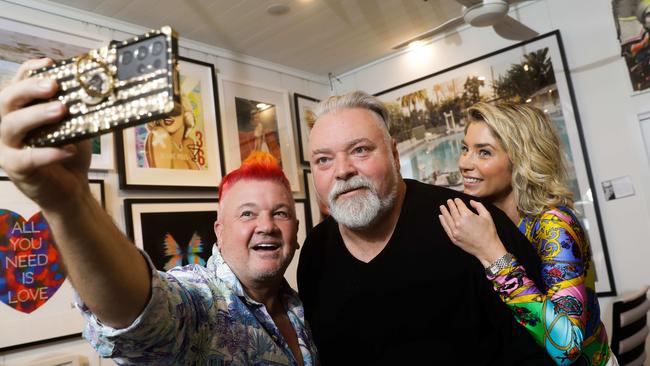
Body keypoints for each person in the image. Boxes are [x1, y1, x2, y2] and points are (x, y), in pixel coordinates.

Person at [0, 58, 318, 365]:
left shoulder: (297, 306)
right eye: (247, 214)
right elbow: (142, 313)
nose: (267, 225)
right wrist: (71, 203)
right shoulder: (203, 301)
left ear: (296, 230)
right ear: (219, 231)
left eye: (280, 213)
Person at [297, 91, 555, 365]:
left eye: (360, 150)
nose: (342, 170)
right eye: (323, 159)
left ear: (394, 155)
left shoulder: (472, 223)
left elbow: (541, 350)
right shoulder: (315, 253)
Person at [438, 102, 615, 365]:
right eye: (465, 149)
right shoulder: (489, 225)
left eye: (484, 152)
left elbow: (566, 347)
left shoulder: (553, 225)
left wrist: (491, 252)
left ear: (522, 160)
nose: (464, 163)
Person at [144, 93, 200, 170]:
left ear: (186, 113)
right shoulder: (160, 135)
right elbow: (163, 179)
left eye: (173, 108)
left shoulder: (188, 144)